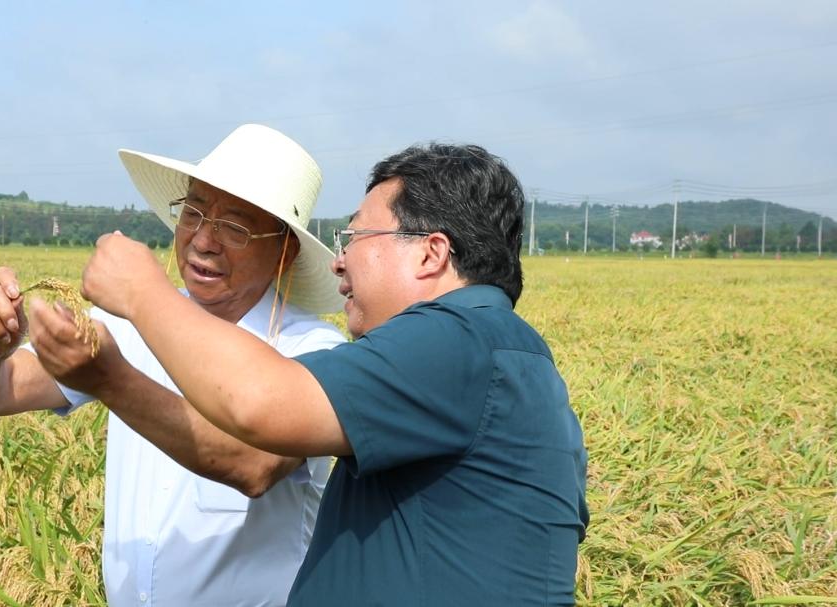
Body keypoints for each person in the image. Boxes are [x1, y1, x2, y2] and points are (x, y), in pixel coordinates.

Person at [80, 143, 590, 606]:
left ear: (431, 253)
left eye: (357, 236)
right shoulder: (492, 349)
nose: (339, 263)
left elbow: (257, 407)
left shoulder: (457, 339)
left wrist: (142, 292)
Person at [0, 124, 346, 606]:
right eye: (194, 213)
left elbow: (254, 465)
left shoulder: (313, 349)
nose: (203, 240)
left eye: (235, 228)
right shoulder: (128, 321)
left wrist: (113, 379)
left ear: (285, 252)